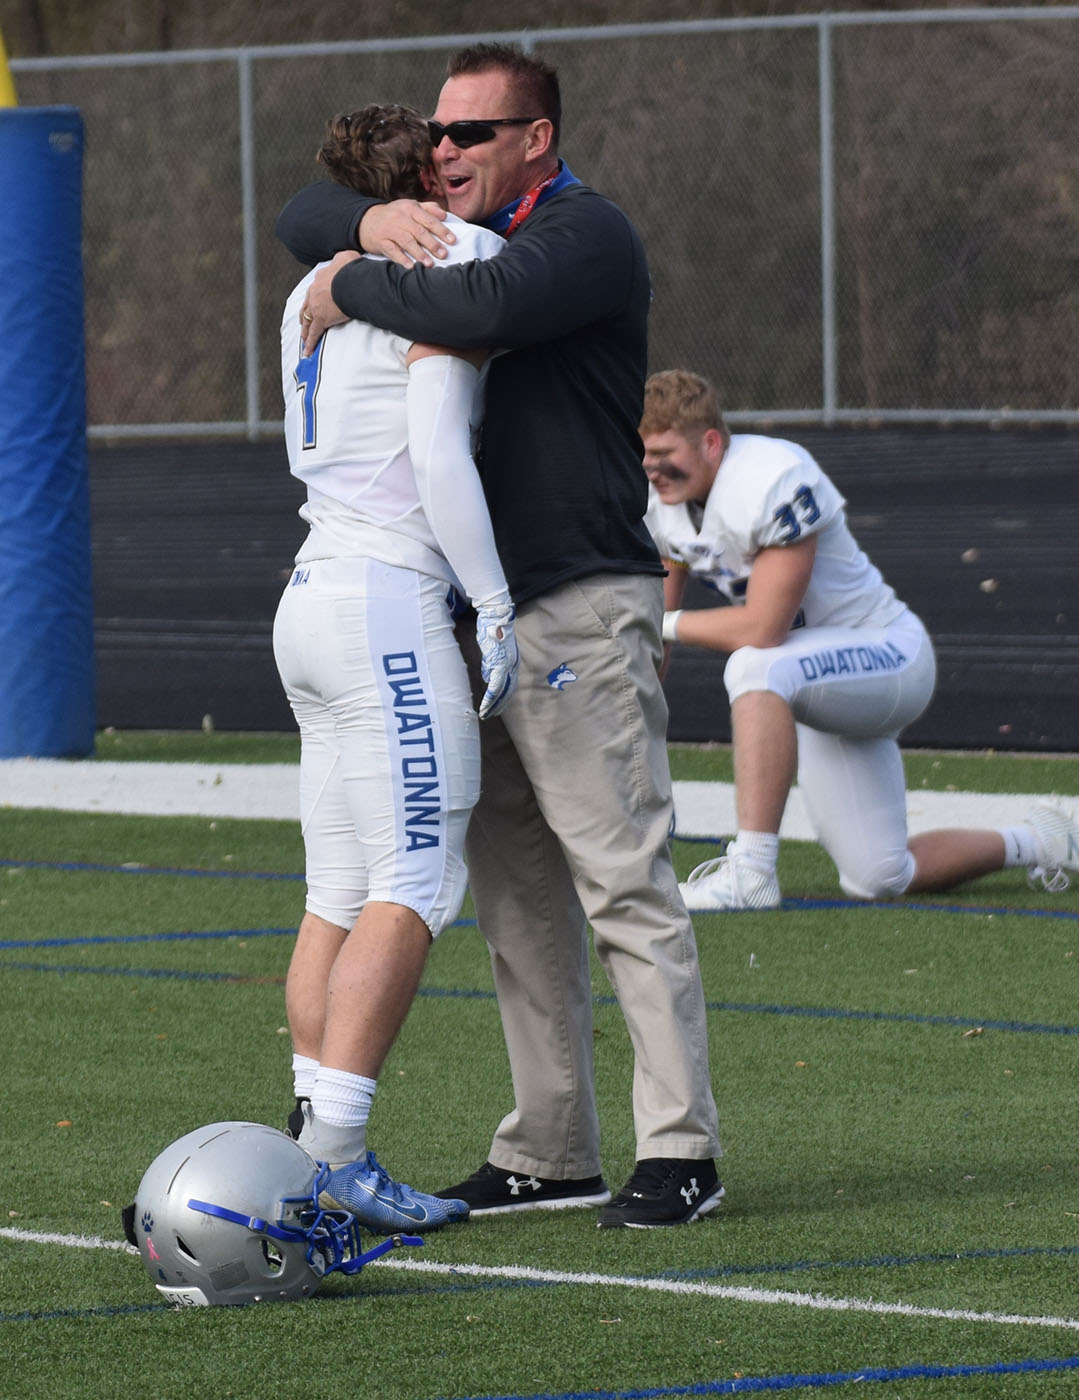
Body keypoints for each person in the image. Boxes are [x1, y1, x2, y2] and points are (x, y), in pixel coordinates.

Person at [276, 43, 723, 1229]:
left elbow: (485, 306)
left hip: (570, 594)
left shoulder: (582, 234)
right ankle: (550, 1142)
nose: (445, 149)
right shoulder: (419, 229)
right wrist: (363, 235)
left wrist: (345, 279)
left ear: (538, 138)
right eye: (435, 133)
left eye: (474, 132)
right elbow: (301, 208)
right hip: (458, 612)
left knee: (620, 877)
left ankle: (680, 1144)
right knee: (515, 896)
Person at [272, 103, 520, 1235]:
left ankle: (307, 1137)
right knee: (414, 881)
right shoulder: (454, 249)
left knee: (336, 888)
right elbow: (434, 445)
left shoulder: (310, 282)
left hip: (311, 590)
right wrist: (495, 597)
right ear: (426, 172)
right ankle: (333, 1160)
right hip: (385, 599)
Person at [640, 369, 1079, 911]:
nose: (652, 467)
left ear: (711, 442)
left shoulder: (770, 475)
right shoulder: (661, 502)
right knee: (880, 876)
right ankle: (1044, 840)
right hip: (814, 677)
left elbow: (762, 628)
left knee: (753, 664)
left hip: (886, 656)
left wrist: (659, 625)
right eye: (645, 453)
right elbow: (658, 626)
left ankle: (751, 870)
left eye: (665, 452)